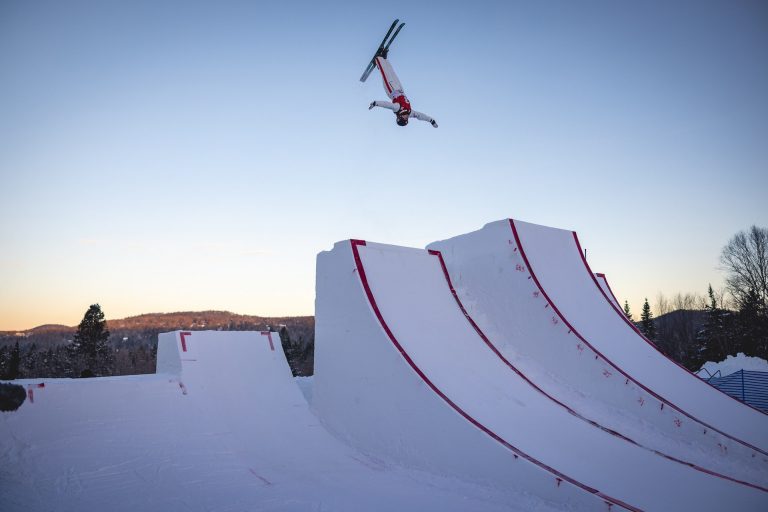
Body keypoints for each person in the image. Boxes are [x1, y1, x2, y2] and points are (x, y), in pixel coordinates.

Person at [368, 49, 438, 128]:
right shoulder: (410, 112)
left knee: (386, 74)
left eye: (405, 119)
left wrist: (376, 103)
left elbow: (387, 105)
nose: (407, 118)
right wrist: (431, 121)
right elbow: (420, 116)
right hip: (400, 89)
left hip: (391, 90)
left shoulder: (397, 109)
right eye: (407, 119)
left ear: (399, 117)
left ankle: (378, 59)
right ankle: (385, 59)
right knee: (392, 72)